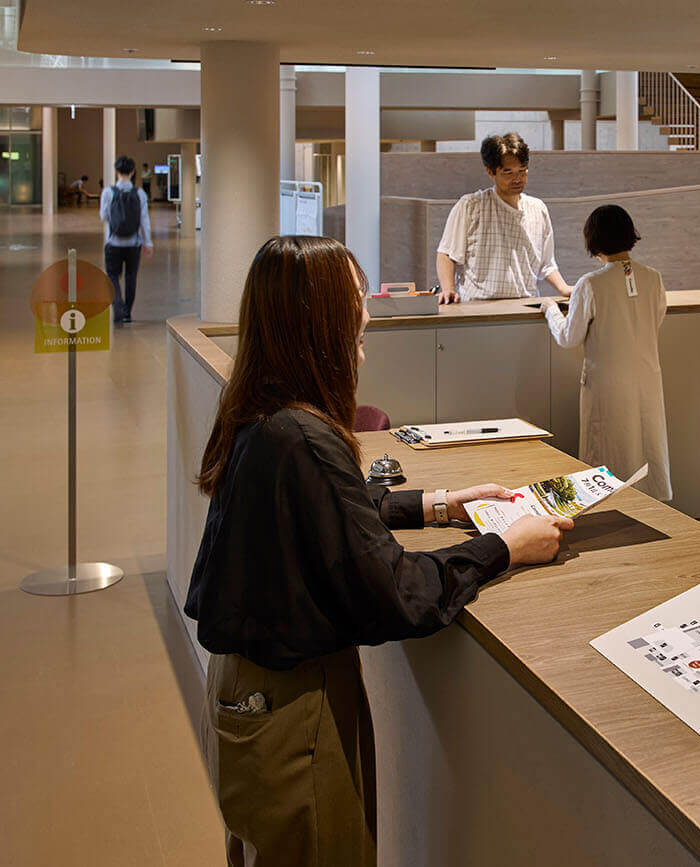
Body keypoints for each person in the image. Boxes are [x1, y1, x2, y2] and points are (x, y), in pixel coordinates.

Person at [185, 235, 571, 866]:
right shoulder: (303, 437)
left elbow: (327, 510)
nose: (365, 314)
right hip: (290, 709)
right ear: (316, 320)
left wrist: (440, 504)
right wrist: (504, 546)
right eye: (353, 300)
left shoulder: (265, 416)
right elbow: (397, 592)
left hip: (248, 696)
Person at [544, 205, 672, 501]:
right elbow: (656, 318)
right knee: (647, 443)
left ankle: (610, 509)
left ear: (593, 239)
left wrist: (550, 310)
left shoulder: (591, 284)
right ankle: (650, 508)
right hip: (647, 379)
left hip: (607, 384)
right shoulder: (653, 277)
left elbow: (568, 337)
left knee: (606, 451)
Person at [435, 133, 573, 304]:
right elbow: (447, 254)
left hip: (525, 305)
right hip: (477, 306)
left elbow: (546, 264)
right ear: (490, 171)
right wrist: (449, 289)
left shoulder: (538, 209)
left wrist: (563, 288)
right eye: (508, 172)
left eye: (522, 171)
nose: (517, 179)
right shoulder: (471, 206)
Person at [99, 155, 153, 324]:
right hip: (133, 244)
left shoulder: (108, 192)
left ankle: (117, 306)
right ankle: (127, 313)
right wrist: (148, 242)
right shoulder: (140, 193)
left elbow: (103, 216)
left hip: (113, 242)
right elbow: (144, 220)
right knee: (131, 277)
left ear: (116, 171)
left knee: (112, 276)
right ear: (133, 172)